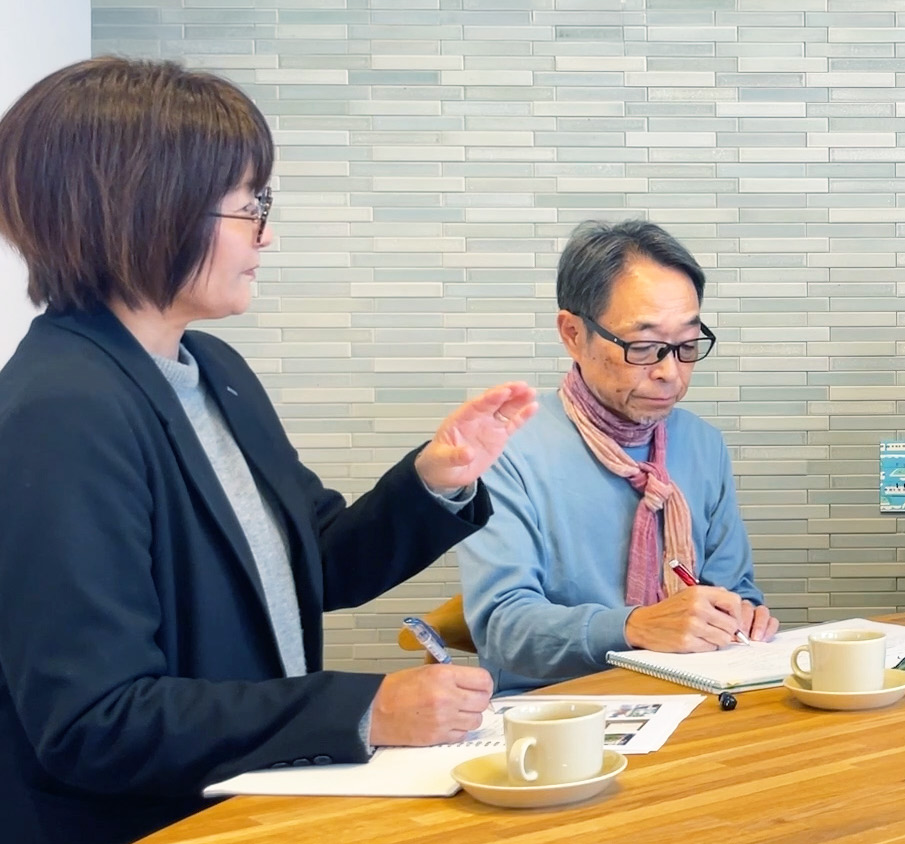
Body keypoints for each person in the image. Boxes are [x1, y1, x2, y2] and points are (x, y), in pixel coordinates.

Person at [0, 58, 540, 844]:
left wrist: (436, 480)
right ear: (152, 210)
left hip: (253, 808)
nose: (268, 233)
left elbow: (314, 562)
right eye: (250, 206)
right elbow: (96, 720)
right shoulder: (62, 412)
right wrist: (365, 710)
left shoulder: (212, 369)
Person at [459, 219, 777, 693]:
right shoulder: (506, 450)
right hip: (552, 708)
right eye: (644, 347)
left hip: (694, 693)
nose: (670, 372)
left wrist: (743, 615)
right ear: (573, 334)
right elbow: (503, 627)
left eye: (687, 346)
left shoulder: (702, 444)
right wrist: (635, 626)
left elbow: (734, 590)